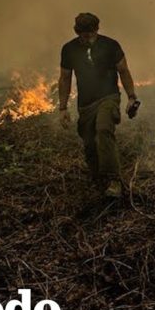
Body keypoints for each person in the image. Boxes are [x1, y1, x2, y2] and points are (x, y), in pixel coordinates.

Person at [57, 12, 139, 198]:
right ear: (77, 32)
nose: (88, 38)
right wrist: (62, 108)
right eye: (84, 35)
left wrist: (131, 97)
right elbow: (65, 78)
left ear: (97, 29)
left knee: (103, 130)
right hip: (85, 103)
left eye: (91, 34)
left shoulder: (111, 45)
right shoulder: (69, 49)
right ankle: (97, 178)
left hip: (108, 97)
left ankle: (114, 180)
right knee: (89, 143)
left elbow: (124, 71)